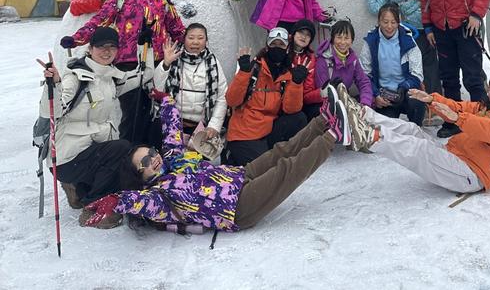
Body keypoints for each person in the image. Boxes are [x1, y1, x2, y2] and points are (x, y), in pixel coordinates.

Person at [77, 90, 351, 231]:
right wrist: (117, 201)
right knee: (286, 170)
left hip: (237, 177)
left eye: (150, 153)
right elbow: (139, 203)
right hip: (238, 208)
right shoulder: (159, 197)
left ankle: (322, 122)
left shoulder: (172, 159)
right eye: (145, 164)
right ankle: (333, 137)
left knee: (281, 151)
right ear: (142, 178)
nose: (152, 160)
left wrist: (167, 102)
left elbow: (171, 131)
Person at [60, 0, 185, 142]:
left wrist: (193, 43)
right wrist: (77, 38)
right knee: (133, 113)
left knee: (155, 111)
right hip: (128, 62)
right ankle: (131, 154)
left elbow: (175, 26)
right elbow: (100, 20)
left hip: (157, 60)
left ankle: (153, 157)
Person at [341, 73, 490, 195]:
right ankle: (363, 114)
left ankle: (369, 137)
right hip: (454, 157)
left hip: (471, 175)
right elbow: (458, 106)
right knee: (413, 130)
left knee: (421, 148)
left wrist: (459, 119)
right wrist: (432, 99)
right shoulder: (485, 108)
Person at [36, 27, 151, 209]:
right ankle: (95, 204)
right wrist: (54, 84)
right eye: (101, 46)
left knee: (119, 162)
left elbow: (143, 76)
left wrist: (146, 47)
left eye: (112, 47)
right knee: (121, 149)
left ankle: (79, 190)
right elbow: (51, 112)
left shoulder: (110, 78)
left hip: (91, 151)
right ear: (90, 49)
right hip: (67, 157)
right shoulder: (75, 76)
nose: (107, 51)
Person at [419, 0, 490, 138]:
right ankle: (453, 121)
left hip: (465, 29)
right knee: (448, 78)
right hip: (441, 31)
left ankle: (480, 120)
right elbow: (425, 1)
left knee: (473, 77)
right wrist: (429, 27)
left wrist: (476, 15)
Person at [224, 27, 308, 165]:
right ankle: (233, 154)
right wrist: (243, 73)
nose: (277, 48)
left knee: (299, 119)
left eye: (281, 44)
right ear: (267, 46)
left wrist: (297, 83)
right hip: (245, 132)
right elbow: (232, 100)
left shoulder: (287, 74)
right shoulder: (254, 68)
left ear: (287, 48)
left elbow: (291, 110)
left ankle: (277, 157)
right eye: (273, 44)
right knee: (263, 168)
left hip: (268, 130)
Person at [364, 0, 441, 94]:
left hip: (424, 25)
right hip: (406, 30)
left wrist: (432, 23)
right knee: (414, 67)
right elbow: (376, 9)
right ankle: (419, 100)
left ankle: (434, 100)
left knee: (429, 64)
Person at [152, 23, 228, 159]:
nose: (195, 42)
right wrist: (166, 63)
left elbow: (222, 97)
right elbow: (157, 88)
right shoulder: (174, 57)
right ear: (184, 39)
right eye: (191, 38)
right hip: (172, 123)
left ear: (206, 41)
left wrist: (214, 126)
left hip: (200, 128)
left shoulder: (213, 63)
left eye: (200, 38)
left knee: (198, 165)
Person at [360, 5, 426, 126]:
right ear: (379, 21)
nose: (389, 26)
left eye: (393, 22)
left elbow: (417, 74)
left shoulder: (408, 41)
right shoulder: (371, 41)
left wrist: (403, 87)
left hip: (405, 92)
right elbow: (365, 74)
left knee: (416, 103)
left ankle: (416, 130)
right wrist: (375, 95)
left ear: (399, 22)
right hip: (384, 95)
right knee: (387, 130)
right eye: (385, 22)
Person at [315, 19, 373, 107]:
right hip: (326, 105)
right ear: (332, 38)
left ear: (352, 40)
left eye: (346, 38)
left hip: (345, 100)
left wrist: (365, 103)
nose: (342, 42)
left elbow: (363, 81)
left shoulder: (352, 59)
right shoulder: (324, 59)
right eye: (339, 37)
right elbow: (321, 91)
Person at [289, 18, 323, 120]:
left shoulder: (310, 58)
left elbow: (307, 93)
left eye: (308, 35)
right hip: (281, 98)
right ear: (294, 33)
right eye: (301, 32)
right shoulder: (282, 48)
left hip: (299, 100)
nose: (304, 37)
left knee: (320, 110)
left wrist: (321, 93)